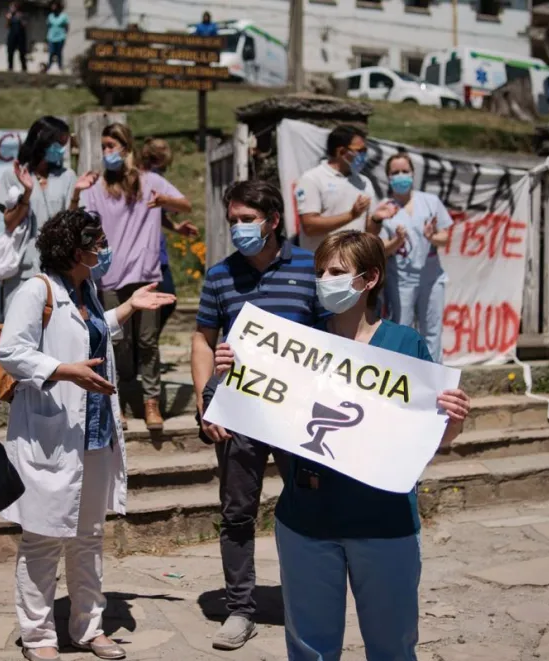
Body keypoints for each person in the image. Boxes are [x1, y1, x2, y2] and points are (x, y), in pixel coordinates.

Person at [213, 230, 471, 661]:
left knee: (392, 646)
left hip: (385, 526)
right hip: (307, 524)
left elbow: (430, 438)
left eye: (336, 272)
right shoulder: (295, 344)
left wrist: (454, 420)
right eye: (319, 272)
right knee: (310, 648)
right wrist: (234, 377)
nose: (324, 280)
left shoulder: (405, 346)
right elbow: (264, 414)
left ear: (369, 279)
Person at [0, 209, 175, 661]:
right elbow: (12, 352)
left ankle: (89, 628)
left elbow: (90, 336)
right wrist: (61, 371)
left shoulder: (88, 290)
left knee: (89, 536)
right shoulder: (35, 291)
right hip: (50, 433)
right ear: (75, 249)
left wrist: (127, 309)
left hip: (94, 432)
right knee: (41, 538)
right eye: (97, 241)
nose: (103, 247)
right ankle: (38, 636)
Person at [191, 179, 324, 651]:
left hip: (299, 418)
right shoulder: (220, 275)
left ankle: (308, 601)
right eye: (233, 222)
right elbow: (204, 339)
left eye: (247, 220)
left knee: (309, 509)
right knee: (237, 514)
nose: (239, 229)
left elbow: (335, 339)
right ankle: (240, 609)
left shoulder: (312, 267)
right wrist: (206, 400)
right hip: (238, 414)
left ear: (271, 221)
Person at [81, 123, 191, 431]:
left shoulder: (150, 181)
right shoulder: (96, 189)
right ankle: (116, 401)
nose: (107, 153)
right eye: (103, 146)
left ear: (127, 149)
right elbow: (84, 223)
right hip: (109, 276)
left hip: (145, 274)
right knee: (116, 342)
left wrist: (165, 202)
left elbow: (186, 204)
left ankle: (151, 402)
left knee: (147, 341)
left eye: (112, 146)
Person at [0, 115, 97, 313]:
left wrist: (76, 194)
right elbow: (9, 223)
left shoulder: (67, 176)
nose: (61, 150)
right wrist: (27, 192)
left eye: (64, 145)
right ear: (42, 140)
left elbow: (74, 225)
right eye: (58, 144)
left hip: (59, 272)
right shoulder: (14, 175)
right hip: (23, 273)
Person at [377, 152, 453, 363]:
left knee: (432, 331)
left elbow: (445, 238)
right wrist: (397, 241)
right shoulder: (385, 208)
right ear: (388, 177)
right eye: (396, 172)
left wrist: (432, 237)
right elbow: (381, 248)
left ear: (413, 173)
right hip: (401, 279)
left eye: (405, 171)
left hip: (431, 277)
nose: (401, 176)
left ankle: (434, 379)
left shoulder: (430, 202)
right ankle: (400, 374)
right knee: (401, 329)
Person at [294, 124, 395, 255]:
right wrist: (351, 215)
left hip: (354, 263)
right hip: (321, 265)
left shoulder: (364, 182)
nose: (364, 155)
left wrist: (377, 218)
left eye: (365, 150)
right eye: (360, 150)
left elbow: (370, 232)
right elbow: (310, 226)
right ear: (341, 152)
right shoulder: (312, 179)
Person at [138, 138, 198, 332]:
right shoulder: (150, 179)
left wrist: (176, 228)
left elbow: (157, 213)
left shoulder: (154, 178)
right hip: (144, 249)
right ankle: (146, 343)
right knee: (165, 298)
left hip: (156, 249)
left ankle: (149, 342)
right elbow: (184, 204)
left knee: (166, 298)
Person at [45, 2, 68, 72]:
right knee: (51, 52)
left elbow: (67, 27)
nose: (53, 8)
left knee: (59, 53)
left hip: (60, 38)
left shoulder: (64, 16)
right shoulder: (50, 16)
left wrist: (64, 34)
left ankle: (60, 67)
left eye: (55, 7)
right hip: (51, 38)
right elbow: (48, 26)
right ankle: (49, 67)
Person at [5, 2, 28, 72]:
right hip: (12, 35)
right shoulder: (9, 16)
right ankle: (10, 67)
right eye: (10, 8)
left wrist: (20, 18)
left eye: (12, 8)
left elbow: (25, 25)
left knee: (22, 52)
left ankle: (24, 68)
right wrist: (8, 19)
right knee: (10, 52)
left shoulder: (21, 15)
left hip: (20, 35)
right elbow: (6, 26)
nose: (11, 9)